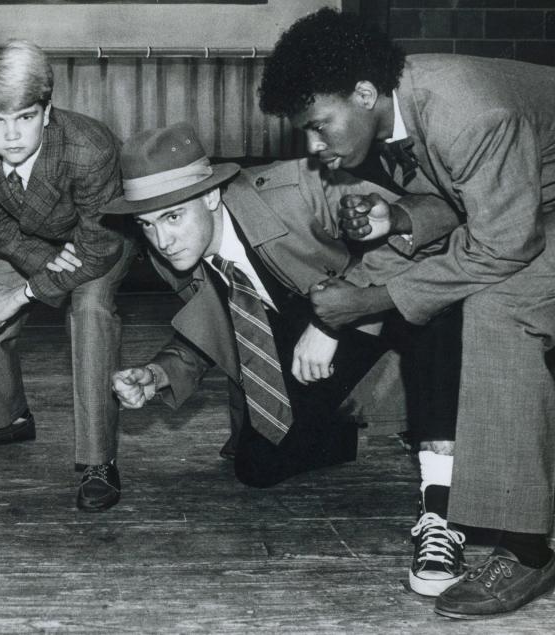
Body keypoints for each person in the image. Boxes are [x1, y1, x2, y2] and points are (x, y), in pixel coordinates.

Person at [258, 7, 555, 619]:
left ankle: (528, 550)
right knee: (462, 281)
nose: (315, 148)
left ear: (364, 94)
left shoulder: (468, 113)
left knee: (499, 305)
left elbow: (504, 241)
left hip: (528, 219)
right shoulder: (402, 104)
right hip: (532, 203)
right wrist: (400, 218)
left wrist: (372, 300)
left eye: (319, 127)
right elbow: (466, 199)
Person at [102, 122, 464, 594]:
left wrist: (334, 317)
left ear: (211, 197)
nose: (162, 239)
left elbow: (436, 212)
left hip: (380, 306)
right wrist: (157, 373)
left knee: (432, 308)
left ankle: (439, 506)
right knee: (256, 467)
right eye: (147, 225)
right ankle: (372, 423)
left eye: (172, 217)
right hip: (300, 343)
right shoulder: (172, 251)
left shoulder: (301, 187)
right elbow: (216, 321)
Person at [0, 40, 135, 511]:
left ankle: (98, 461)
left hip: (99, 240)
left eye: (25, 117)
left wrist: (27, 292)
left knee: (88, 313)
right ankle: (8, 420)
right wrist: (42, 267)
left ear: (46, 111)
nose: (10, 135)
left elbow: (98, 247)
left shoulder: (90, 147)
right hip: (33, 240)